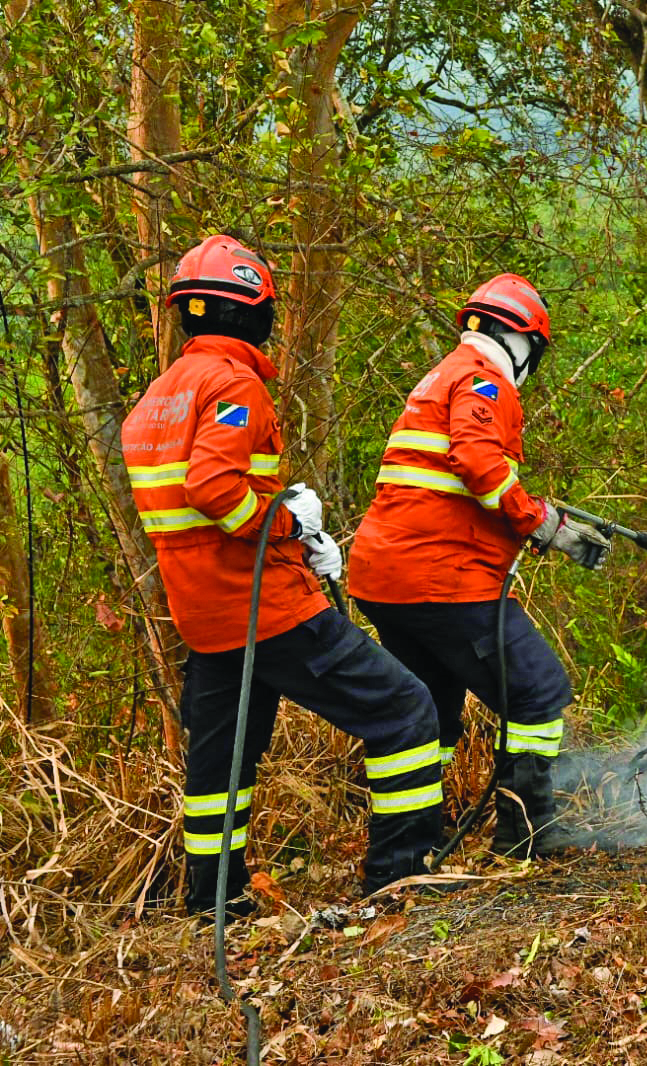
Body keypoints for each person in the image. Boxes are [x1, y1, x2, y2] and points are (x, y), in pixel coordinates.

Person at [122, 234, 445, 917]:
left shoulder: (158, 397)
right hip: (267, 608)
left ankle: (215, 900)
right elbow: (214, 488)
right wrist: (292, 525)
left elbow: (194, 500)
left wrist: (288, 526)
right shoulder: (233, 383)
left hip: (205, 618)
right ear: (255, 311)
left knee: (219, 768)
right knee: (404, 710)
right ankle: (400, 874)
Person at [347, 273, 610, 859]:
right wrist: (539, 523)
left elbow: (450, 485)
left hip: (384, 577)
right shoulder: (483, 380)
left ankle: (405, 857)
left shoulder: (441, 377)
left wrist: (544, 516)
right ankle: (525, 839)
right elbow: (476, 457)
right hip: (441, 580)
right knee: (537, 693)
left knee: (429, 710)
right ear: (521, 340)